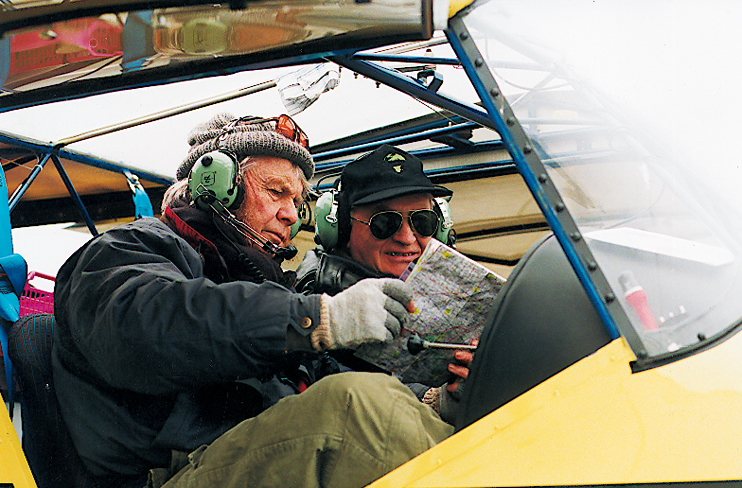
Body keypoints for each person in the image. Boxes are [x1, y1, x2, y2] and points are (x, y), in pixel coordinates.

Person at [52, 114, 452, 488]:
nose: (291, 216)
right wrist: (318, 318)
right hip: (166, 473)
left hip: (242, 455)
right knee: (359, 410)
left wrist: (437, 400)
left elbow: (315, 379)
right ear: (218, 184)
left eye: (298, 202)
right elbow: (146, 326)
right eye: (277, 192)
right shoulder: (131, 247)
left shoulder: (262, 281)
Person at [295, 144, 472, 423]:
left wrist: (451, 394)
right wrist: (431, 402)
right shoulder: (317, 306)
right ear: (341, 228)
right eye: (384, 222)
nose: (407, 237)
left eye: (422, 221)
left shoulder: (438, 298)